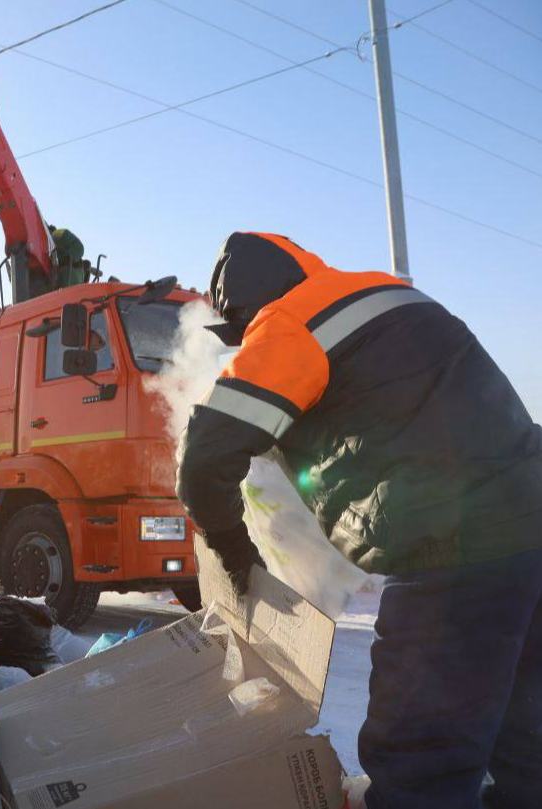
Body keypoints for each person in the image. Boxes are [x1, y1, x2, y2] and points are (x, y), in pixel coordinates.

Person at [175, 231, 542, 809]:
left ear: (245, 310)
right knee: (523, 750)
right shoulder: (388, 293)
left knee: (422, 762)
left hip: (458, 551)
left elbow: (203, 461)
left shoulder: (287, 323)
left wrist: (232, 549)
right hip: (531, 528)